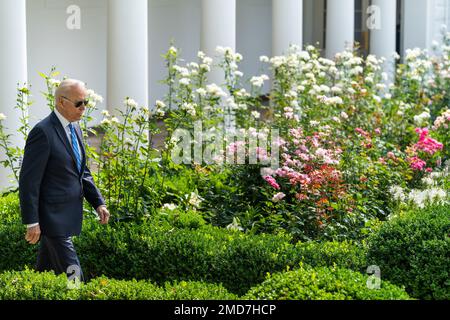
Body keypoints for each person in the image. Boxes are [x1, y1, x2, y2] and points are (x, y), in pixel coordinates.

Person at [19, 79, 110, 281]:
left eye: (86, 102)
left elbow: (82, 171)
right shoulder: (42, 132)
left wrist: (98, 203)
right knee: (74, 276)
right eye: (79, 103)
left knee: (44, 272)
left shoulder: (75, 128)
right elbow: (28, 181)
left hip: (66, 215)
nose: (84, 108)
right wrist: (32, 221)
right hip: (51, 219)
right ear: (61, 102)